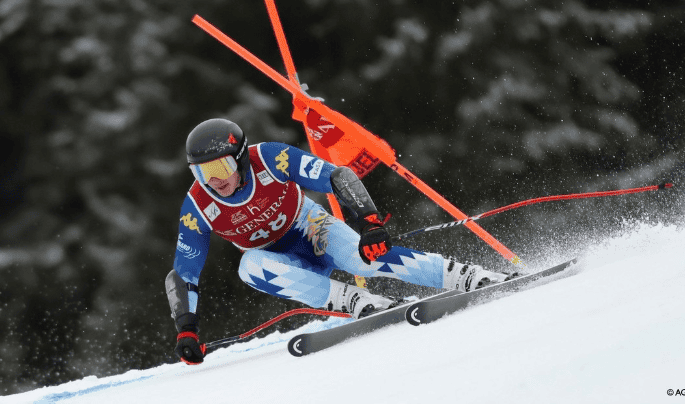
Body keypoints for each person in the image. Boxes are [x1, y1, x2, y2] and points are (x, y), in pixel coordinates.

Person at [165, 118, 510, 364]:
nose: (215, 180)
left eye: (221, 168)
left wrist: (370, 223)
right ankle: (355, 301)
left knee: (364, 260)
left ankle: (465, 275)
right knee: (249, 267)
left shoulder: (269, 158)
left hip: (310, 228)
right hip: (276, 259)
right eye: (202, 172)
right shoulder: (198, 206)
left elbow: (336, 175)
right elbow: (184, 274)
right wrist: (186, 329)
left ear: (240, 158)